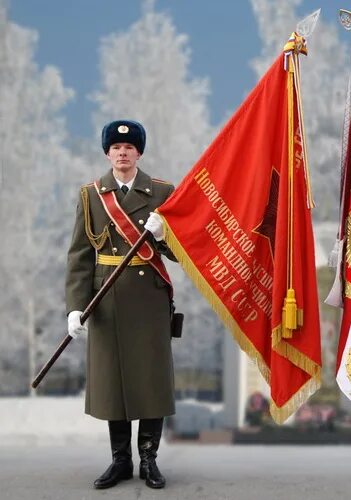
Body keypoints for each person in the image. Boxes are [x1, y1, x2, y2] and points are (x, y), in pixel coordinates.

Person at [65, 120, 177, 490]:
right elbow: (80, 256)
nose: (122, 152)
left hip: (149, 301)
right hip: (106, 299)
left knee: (151, 381)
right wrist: (75, 307)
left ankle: (149, 459)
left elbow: (184, 254)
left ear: (139, 152)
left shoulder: (162, 192)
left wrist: (166, 236)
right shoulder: (91, 195)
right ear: (107, 152)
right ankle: (120, 460)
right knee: (113, 382)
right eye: (115, 147)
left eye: (129, 147)